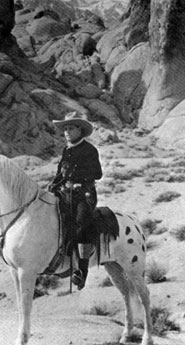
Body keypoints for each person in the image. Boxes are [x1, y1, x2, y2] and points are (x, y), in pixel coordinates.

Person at [49, 111, 102, 290]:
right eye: (65, 129)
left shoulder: (89, 150)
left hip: (84, 194)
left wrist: (77, 181)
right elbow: (60, 174)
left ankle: (82, 269)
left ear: (80, 130)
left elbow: (97, 173)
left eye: (70, 128)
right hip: (65, 193)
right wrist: (54, 185)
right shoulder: (66, 150)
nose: (66, 132)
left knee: (81, 222)